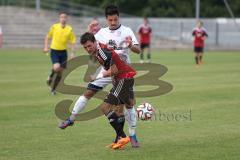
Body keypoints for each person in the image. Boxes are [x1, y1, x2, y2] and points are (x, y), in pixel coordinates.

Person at [59, 5, 141, 148]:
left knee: (126, 105)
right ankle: (71, 118)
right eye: (110, 20)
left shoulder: (127, 31)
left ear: (118, 17)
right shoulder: (101, 33)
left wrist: (130, 45)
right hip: (108, 69)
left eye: (115, 19)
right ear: (106, 19)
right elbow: (89, 42)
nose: (113, 22)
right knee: (89, 91)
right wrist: (89, 30)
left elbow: (137, 50)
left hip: (122, 71)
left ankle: (130, 136)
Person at [83, 32, 136, 149]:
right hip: (123, 80)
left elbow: (115, 70)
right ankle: (119, 139)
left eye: (89, 46)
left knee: (104, 108)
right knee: (117, 110)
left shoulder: (102, 53)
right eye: (85, 47)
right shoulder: (99, 52)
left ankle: (123, 136)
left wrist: (97, 77)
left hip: (124, 80)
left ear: (95, 43)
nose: (87, 49)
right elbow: (114, 68)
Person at [43, 11, 76, 95]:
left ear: (67, 18)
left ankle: (53, 89)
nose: (63, 19)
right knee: (56, 67)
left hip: (63, 52)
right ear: (59, 18)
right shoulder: (54, 27)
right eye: (61, 17)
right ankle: (51, 77)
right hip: (54, 50)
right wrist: (46, 47)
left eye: (64, 17)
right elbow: (48, 37)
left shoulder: (69, 29)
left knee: (60, 72)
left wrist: (72, 53)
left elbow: (73, 42)